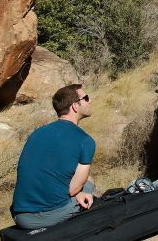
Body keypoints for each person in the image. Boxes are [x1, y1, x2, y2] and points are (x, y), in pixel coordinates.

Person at [11, 84, 98, 229]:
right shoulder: (85, 140)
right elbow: (73, 190)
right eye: (86, 98)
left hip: (19, 215)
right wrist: (82, 192)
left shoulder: (37, 133)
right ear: (75, 106)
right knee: (88, 181)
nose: (90, 101)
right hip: (48, 215)